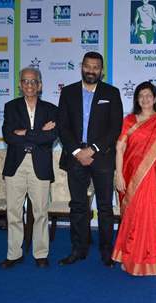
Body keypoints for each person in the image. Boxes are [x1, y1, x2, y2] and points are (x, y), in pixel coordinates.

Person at [57, 51, 123, 267]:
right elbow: (63, 126)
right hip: (75, 157)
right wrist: (77, 151)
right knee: (78, 206)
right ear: (81, 66)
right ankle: (79, 249)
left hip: (102, 157)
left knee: (105, 207)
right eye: (88, 66)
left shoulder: (111, 93)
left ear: (101, 70)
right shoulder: (67, 93)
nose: (91, 70)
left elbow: (115, 127)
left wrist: (92, 149)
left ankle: (106, 251)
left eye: (96, 67)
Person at [112, 81, 156, 276]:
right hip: (132, 176)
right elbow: (120, 148)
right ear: (137, 100)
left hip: (155, 177)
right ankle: (129, 256)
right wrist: (119, 174)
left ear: (155, 98)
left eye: (149, 95)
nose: (145, 99)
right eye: (141, 96)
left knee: (150, 218)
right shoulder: (129, 120)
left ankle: (149, 260)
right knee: (132, 216)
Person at [0, 67, 58, 269]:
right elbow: (9, 136)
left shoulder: (51, 109)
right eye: (25, 81)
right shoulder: (10, 107)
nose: (29, 85)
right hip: (16, 165)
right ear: (19, 84)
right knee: (14, 212)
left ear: (40, 85)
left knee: (41, 211)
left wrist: (25, 133)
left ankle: (41, 253)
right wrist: (39, 132)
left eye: (33, 81)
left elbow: (51, 137)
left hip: (40, 165)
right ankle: (14, 254)